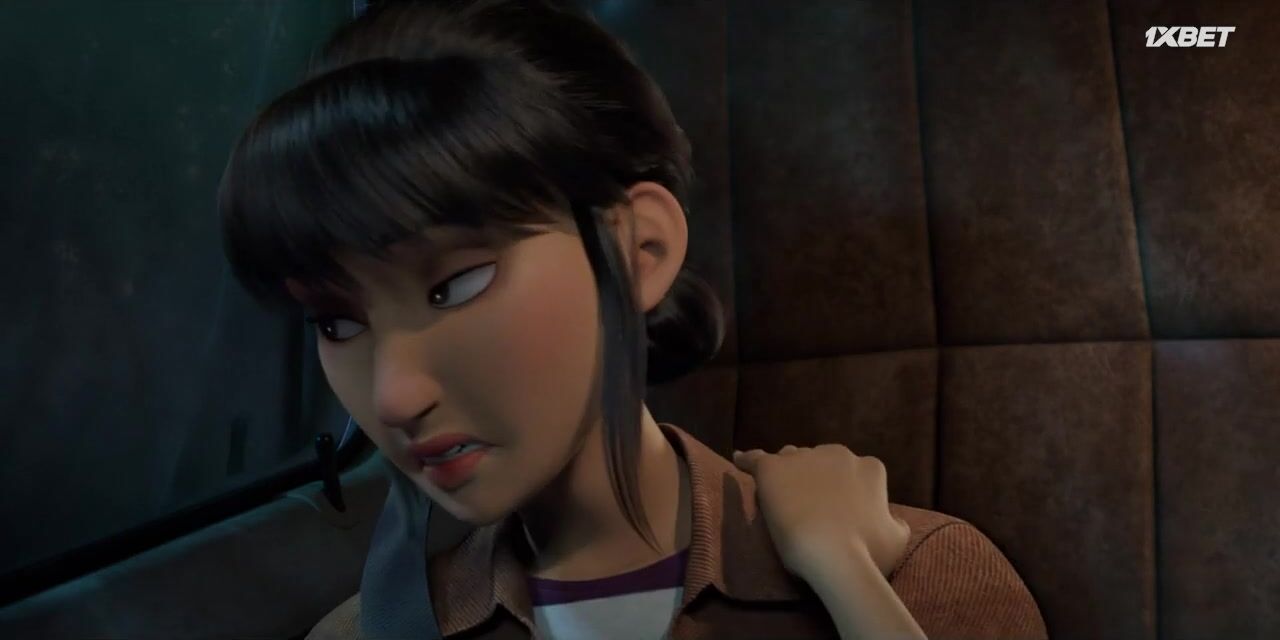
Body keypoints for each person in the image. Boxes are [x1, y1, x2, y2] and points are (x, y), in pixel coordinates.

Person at [217, 1, 1048, 638]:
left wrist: (847, 579)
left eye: (456, 286)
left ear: (639, 248)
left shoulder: (922, 579)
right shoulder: (369, 632)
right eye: (337, 323)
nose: (393, 396)